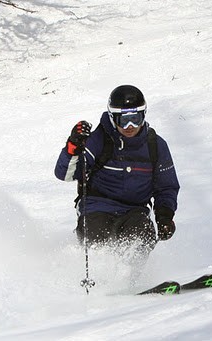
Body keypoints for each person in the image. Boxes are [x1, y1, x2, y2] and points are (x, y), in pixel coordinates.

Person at [54, 85, 180, 259]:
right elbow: (65, 174)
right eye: (123, 120)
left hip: (135, 211)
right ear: (113, 118)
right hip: (97, 206)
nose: (130, 126)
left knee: (141, 234)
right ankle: (99, 279)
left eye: (135, 119)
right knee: (97, 235)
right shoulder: (99, 140)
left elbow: (166, 187)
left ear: (143, 115)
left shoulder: (155, 146)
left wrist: (165, 217)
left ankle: (131, 279)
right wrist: (73, 147)